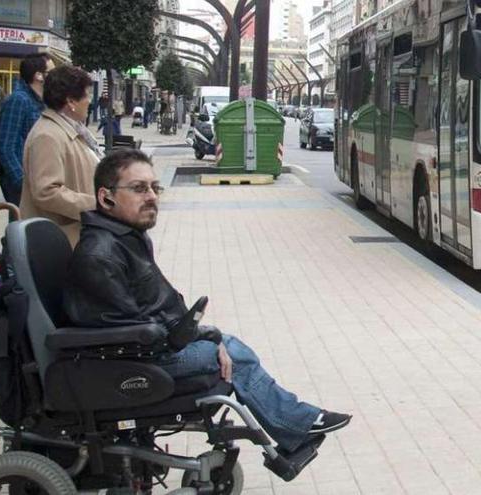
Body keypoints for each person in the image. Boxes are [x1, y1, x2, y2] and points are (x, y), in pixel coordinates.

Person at [62, 150, 352, 454]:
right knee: (235, 354)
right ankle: (299, 425)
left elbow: (153, 310)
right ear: (106, 198)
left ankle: (298, 427)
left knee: (229, 345)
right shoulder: (100, 254)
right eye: (138, 188)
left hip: (148, 345)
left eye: (154, 187)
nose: (151, 196)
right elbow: (137, 330)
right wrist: (207, 341)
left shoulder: (126, 238)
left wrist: (204, 335)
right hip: (131, 359)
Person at [20, 65, 99, 247]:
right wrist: (97, 205)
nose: (89, 101)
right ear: (71, 101)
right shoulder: (47, 135)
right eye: (86, 95)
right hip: (61, 240)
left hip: (75, 235)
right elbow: (47, 192)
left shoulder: (70, 130)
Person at [0, 53, 54, 206]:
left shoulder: (41, 101)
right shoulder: (19, 100)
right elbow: (5, 146)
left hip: (37, 178)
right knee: (21, 225)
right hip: (23, 182)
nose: (55, 78)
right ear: (39, 76)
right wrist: (21, 181)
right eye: (51, 73)